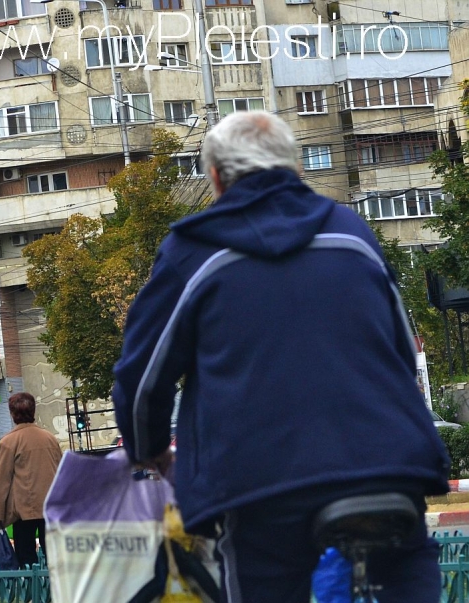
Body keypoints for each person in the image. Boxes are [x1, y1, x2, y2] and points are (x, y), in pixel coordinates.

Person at [112, 111, 451, 603]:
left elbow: (143, 377)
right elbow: (402, 346)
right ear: (295, 168)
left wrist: (151, 451)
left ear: (216, 178)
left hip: (260, 479)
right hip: (385, 462)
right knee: (404, 572)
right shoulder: (351, 232)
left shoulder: (193, 250)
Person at [0, 392, 62, 568]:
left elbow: (2, 482)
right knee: (53, 557)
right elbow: (61, 472)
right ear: (33, 411)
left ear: (12, 414)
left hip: (23, 510)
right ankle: (52, 591)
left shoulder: (8, 442)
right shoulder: (50, 438)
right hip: (50, 508)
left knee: (26, 556)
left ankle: (31, 591)